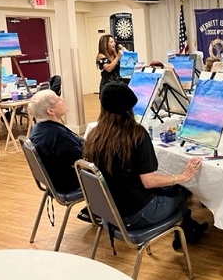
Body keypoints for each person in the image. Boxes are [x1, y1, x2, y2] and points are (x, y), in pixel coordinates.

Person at [82, 82, 208, 250]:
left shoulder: (94, 134)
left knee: (167, 187)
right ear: (130, 107)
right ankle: (186, 231)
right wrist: (182, 177)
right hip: (135, 215)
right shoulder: (135, 134)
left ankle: (189, 228)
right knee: (182, 188)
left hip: (110, 212)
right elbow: (149, 181)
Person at [27, 90, 91, 223]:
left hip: (55, 180)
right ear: (50, 111)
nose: (62, 99)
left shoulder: (39, 129)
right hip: (69, 182)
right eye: (58, 99)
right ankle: (102, 213)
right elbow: (82, 161)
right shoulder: (58, 137)